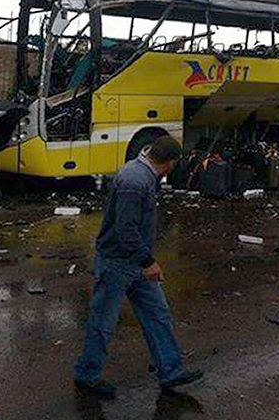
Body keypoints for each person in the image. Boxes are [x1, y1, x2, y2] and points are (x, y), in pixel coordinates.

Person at [74, 135, 203, 399]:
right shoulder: (135, 181)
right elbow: (126, 229)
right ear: (168, 163)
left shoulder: (142, 174)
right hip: (118, 263)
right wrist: (148, 261)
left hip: (133, 262)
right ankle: (87, 376)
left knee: (158, 315)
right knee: (103, 322)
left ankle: (171, 371)